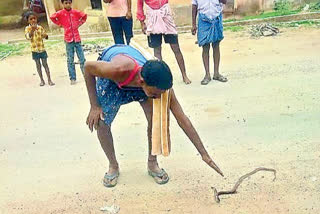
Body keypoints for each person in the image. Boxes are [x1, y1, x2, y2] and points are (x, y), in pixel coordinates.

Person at [84, 44, 223, 188]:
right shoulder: (118, 69)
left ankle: (152, 163)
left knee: (155, 119)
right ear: (142, 82)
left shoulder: (159, 85)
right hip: (115, 81)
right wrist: (94, 106)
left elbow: (182, 119)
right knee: (101, 122)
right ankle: (113, 165)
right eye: (155, 95)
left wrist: (204, 154)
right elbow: (88, 67)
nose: (158, 98)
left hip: (141, 84)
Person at [137, 0, 192, 85]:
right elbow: (139, 5)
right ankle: (160, 77)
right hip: (152, 17)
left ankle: (184, 75)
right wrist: (142, 22)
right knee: (157, 51)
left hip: (166, 15)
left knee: (176, 48)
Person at [50, 0, 87, 85]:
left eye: (69, 3)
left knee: (82, 59)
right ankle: (72, 78)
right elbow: (52, 17)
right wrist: (60, 24)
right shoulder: (60, 13)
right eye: (65, 3)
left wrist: (79, 23)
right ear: (62, 4)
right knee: (70, 59)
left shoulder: (75, 12)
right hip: (68, 39)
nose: (67, 5)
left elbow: (84, 16)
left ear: (71, 3)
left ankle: (86, 75)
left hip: (77, 39)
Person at [192, 0, 228, 85]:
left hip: (216, 19)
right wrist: (193, 24)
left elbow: (224, 1)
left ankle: (216, 73)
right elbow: (194, 6)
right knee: (205, 47)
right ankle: (207, 75)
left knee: (216, 46)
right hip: (203, 20)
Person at [25, 12, 55, 87]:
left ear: (36, 19)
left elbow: (46, 36)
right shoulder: (27, 29)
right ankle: (42, 80)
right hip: (34, 50)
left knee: (45, 64)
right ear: (28, 21)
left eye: (34, 18)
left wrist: (45, 35)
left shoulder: (40, 27)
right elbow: (28, 37)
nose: (33, 20)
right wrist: (32, 30)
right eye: (31, 19)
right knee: (38, 65)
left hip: (42, 49)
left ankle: (49, 79)